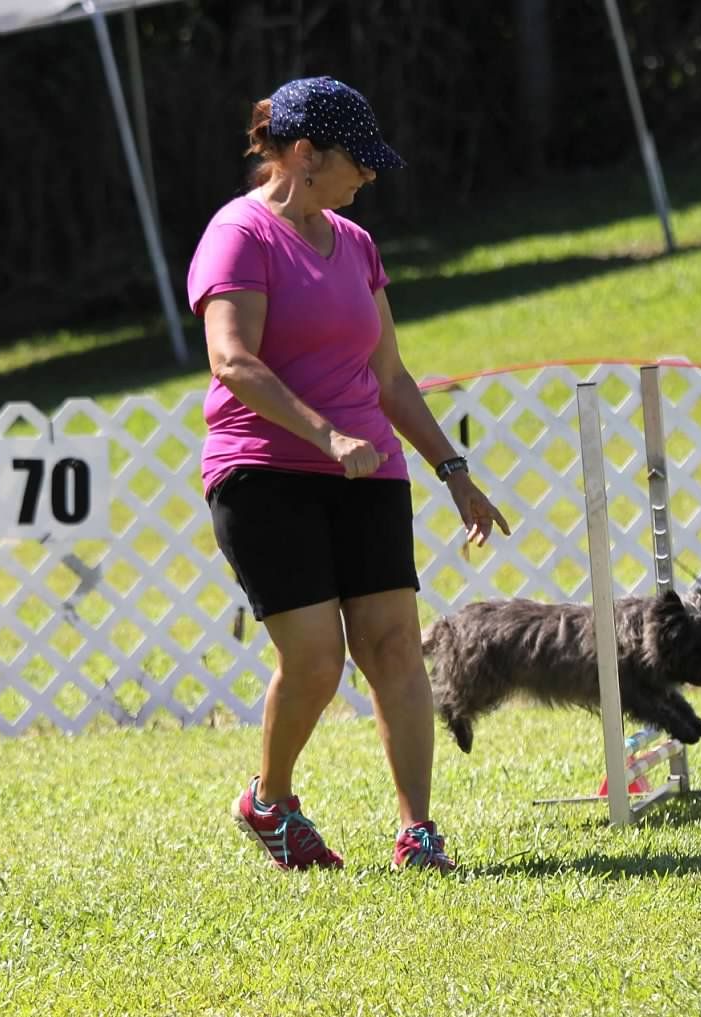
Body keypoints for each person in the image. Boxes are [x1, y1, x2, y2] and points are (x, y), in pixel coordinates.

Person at [187, 76, 509, 873]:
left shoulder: (356, 244)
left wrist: (453, 470)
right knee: (316, 661)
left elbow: (390, 377)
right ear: (304, 154)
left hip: (369, 469)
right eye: (356, 161)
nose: (368, 175)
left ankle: (418, 833)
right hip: (265, 471)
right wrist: (326, 435)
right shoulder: (240, 235)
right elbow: (232, 361)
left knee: (394, 645)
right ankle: (270, 802)